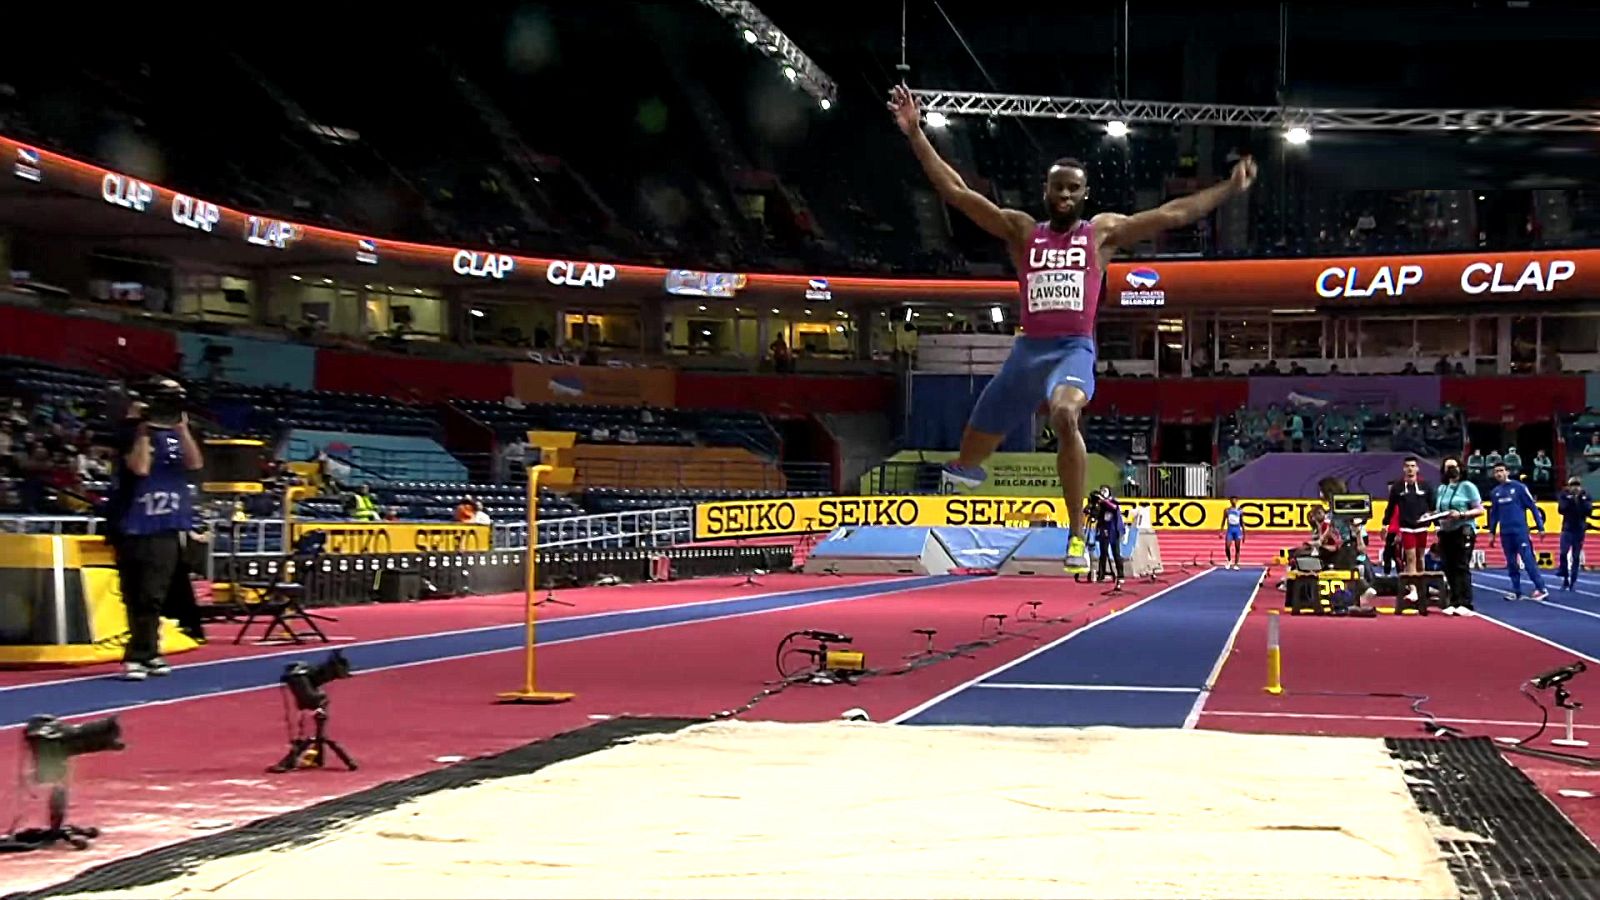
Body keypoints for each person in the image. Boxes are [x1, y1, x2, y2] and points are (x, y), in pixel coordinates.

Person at [887, 84, 1256, 573]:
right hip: (1025, 354)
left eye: (1073, 188)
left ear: (1085, 194)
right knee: (968, 459)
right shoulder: (1023, 231)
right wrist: (915, 132)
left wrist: (1228, 189)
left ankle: (1077, 535)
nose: (1064, 195)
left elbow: (1173, 213)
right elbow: (956, 193)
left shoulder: (1099, 233)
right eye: (1057, 187)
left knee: (1064, 414)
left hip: (1071, 351)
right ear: (1046, 191)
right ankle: (967, 471)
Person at [113, 378, 204, 680]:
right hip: (135, 523)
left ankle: (147, 652)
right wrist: (142, 429)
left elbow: (194, 463)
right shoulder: (130, 431)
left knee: (155, 594)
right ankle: (140, 654)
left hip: (167, 524)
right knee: (137, 594)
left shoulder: (179, 433)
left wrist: (181, 428)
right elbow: (139, 468)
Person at [1487, 461, 1548, 601]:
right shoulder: (1495, 492)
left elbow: (1532, 507)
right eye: (1496, 471)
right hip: (1505, 533)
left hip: (1520, 532)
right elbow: (1494, 514)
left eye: (1501, 470)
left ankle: (1541, 588)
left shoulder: (1519, 488)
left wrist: (1540, 527)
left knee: (1528, 560)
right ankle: (1516, 591)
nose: (1498, 474)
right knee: (1511, 563)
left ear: (1507, 472)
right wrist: (1491, 533)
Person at [1433, 455, 1484, 616]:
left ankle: (1465, 602)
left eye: (1453, 466)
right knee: (1448, 566)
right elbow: (1439, 510)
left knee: (1461, 566)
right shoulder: (1442, 489)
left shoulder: (1468, 486)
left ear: (1460, 468)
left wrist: (1462, 514)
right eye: (1447, 467)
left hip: (1463, 530)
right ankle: (1453, 601)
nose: (1451, 470)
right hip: (1445, 531)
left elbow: (1480, 510)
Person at [1557, 476, 1592, 591]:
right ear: (1569, 486)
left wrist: (1580, 500)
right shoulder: (1564, 495)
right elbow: (1561, 509)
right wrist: (1571, 500)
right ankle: (1565, 575)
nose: (1575, 488)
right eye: (1573, 485)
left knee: (1576, 556)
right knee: (1563, 552)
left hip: (1579, 529)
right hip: (1567, 528)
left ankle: (1573, 580)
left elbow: (1588, 511)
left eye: (1577, 485)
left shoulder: (1585, 496)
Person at [1089, 486, 1124, 587]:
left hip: (1114, 530)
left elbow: (1114, 507)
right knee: (1103, 552)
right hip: (1104, 529)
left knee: (1116, 553)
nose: (1103, 492)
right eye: (1102, 491)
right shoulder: (1100, 504)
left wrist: (1104, 500)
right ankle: (1101, 574)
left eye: (1105, 490)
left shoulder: (1113, 501)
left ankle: (1121, 575)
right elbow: (1095, 514)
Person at [1221, 497, 1245, 570]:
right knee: (1227, 547)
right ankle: (1229, 560)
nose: (1233, 501)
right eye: (1232, 500)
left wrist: (1244, 533)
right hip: (1230, 530)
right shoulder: (1227, 510)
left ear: (1237, 501)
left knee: (1237, 548)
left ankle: (1236, 564)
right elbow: (1223, 521)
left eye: (1235, 500)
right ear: (1230, 501)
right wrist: (1221, 531)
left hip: (1237, 530)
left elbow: (1242, 522)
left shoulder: (1240, 510)